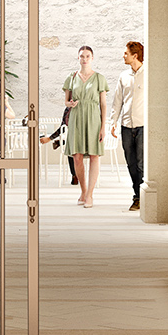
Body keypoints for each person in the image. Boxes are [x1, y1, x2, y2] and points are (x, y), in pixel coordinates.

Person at [61, 43, 110, 207]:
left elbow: (103, 104)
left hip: (94, 119)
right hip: (76, 119)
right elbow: (66, 101)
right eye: (82, 56)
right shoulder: (71, 77)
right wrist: (70, 104)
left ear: (92, 58)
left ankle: (90, 195)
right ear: (78, 57)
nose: (84, 59)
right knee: (77, 157)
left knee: (94, 156)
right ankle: (83, 191)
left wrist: (103, 127)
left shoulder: (99, 78)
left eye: (87, 56)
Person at [106, 39, 146, 211]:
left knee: (141, 163)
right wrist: (113, 122)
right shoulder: (123, 76)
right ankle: (138, 195)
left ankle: (140, 198)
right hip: (126, 127)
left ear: (134, 55)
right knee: (130, 163)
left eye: (125, 53)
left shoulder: (149, 74)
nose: (123, 56)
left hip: (143, 126)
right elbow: (117, 101)